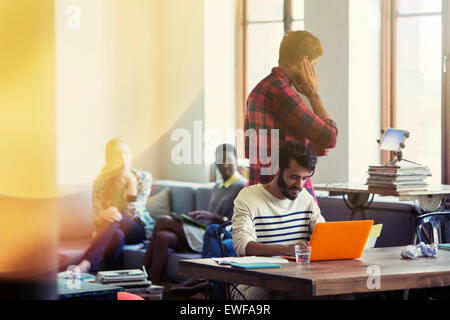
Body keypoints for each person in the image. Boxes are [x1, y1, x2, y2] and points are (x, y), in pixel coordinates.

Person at [245, 30, 338, 203]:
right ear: (305, 62)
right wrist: (314, 95)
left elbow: (270, 145)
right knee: (314, 230)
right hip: (286, 189)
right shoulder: (281, 92)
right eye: (314, 66)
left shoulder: (260, 89)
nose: (314, 73)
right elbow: (330, 136)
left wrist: (309, 147)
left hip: (263, 187)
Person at [231, 141, 325, 300]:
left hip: (299, 277)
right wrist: (287, 250)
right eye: (293, 177)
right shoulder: (248, 197)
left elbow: (323, 234)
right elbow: (243, 246)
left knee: (342, 293)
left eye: (304, 178)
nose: (299, 185)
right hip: (256, 281)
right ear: (277, 169)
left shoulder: (305, 199)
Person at [144, 144, 247, 286]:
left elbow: (234, 223)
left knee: (163, 220)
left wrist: (212, 216)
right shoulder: (217, 186)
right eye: (220, 162)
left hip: (214, 235)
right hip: (202, 230)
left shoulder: (243, 186)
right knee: (162, 237)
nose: (224, 166)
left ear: (236, 160)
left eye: (228, 161)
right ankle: (152, 287)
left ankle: (140, 270)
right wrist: (201, 217)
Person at [74, 138, 155, 273]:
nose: (123, 158)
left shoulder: (143, 178)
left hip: (137, 229)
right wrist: (102, 215)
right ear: (109, 160)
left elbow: (134, 215)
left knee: (116, 216)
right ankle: (114, 282)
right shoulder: (101, 182)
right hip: (111, 229)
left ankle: (85, 263)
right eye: (117, 155)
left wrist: (132, 186)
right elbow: (96, 218)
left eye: (126, 153)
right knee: (116, 235)